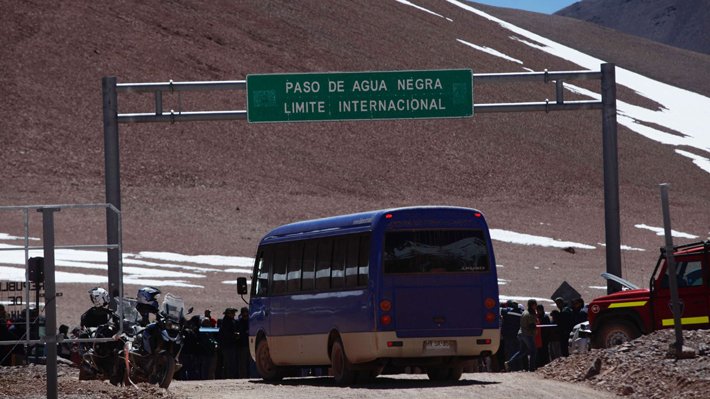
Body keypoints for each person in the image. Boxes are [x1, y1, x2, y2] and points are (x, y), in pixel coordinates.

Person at [505, 299, 538, 372]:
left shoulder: (524, 312)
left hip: (521, 334)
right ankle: (532, 368)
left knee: (522, 351)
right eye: (535, 305)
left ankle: (509, 363)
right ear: (533, 305)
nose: (536, 306)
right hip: (527, 334)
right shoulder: (529, 314)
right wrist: (535, 328)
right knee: (533, 351)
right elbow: (531, 326)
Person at [500, 300, 522, 370]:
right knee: (517, 351)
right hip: (517, 335)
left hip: (508, 335)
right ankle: (518, 368)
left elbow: (501, 310)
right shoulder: (521, 313)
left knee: (509, 351)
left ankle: (511, 367)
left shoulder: (507, 312)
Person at [218, 308, 238, 379]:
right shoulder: (227, 322)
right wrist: (234, 335)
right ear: (228, 314)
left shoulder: (227, 321)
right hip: (228, 345)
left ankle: (227, 376)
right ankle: (228, 376)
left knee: (228, 362)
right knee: (229, 362)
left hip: (227, 345)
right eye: (232, 313)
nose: (234, 314)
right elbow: (227, 334)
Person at [236, 307, 250, 378]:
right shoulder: (239, 322)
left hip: (249, 344)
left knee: (249, 362)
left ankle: (249, 376)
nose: (246, 314)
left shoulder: (250, 321)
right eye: (244, 312)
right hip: (242, 345)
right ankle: (243, 376)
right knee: (242, 363)